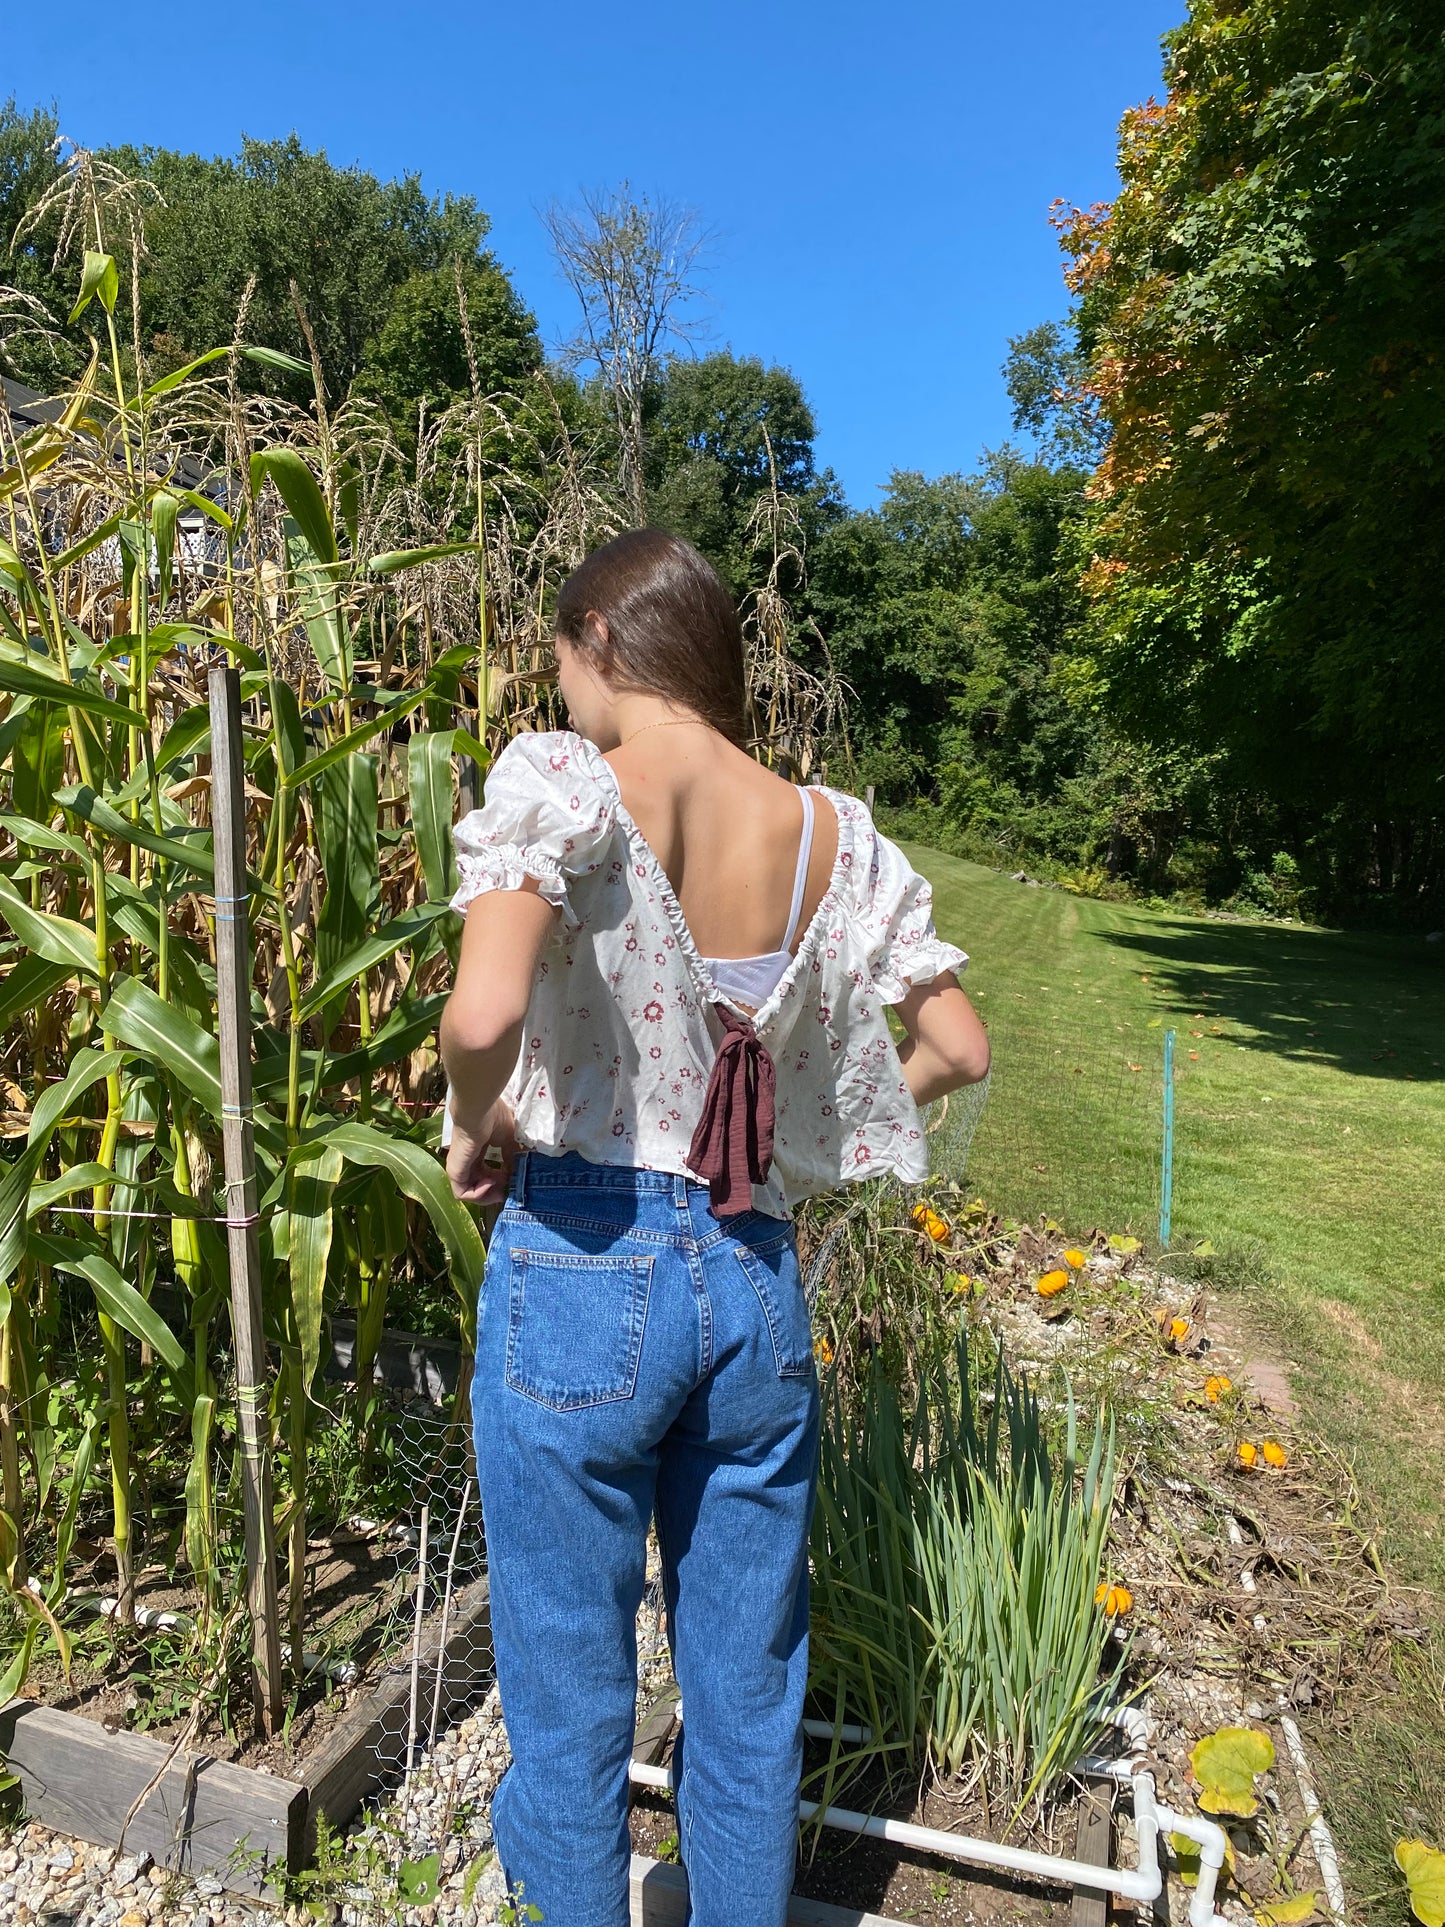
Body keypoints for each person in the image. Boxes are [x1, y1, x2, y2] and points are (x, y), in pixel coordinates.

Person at [440, 528, 989, 1927]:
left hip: (582, 1255)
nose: (560, 696)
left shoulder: (563, 783)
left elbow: (484, 1014)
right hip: (750, 1269)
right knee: (745, 1692)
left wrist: (473, 1120)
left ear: (601, 643)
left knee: (568, 1689)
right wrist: (799, 1142)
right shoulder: (832, 834)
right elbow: (956, 1048)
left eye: (562, 665)